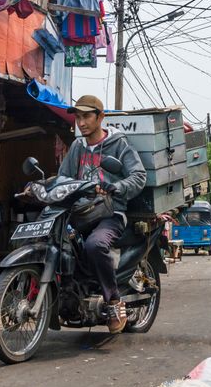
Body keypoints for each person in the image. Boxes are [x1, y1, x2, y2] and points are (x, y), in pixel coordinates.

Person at [58, 94, 148, 333]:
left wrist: (118, 187)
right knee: (52, 240)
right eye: (77, 117)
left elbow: (139, 176)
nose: (81, 122)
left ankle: (114, 300)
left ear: (101, 117)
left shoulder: (119, 144)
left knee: (94, 246)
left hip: (110, 213)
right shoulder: (77, 146)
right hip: (80, 212)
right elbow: (63, 176)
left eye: (86, 116)